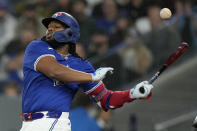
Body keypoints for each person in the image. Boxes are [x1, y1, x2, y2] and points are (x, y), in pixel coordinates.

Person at [20, 12, 153, 131]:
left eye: (56, 26)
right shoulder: (37, 47)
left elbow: (105, 100)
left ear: (70, 32)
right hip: (28, 124)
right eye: (49, 26)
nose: (50, 28)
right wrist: (92, 77)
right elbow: (54, 70)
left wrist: (131, 94)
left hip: (54, 122)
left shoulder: (81, 65)